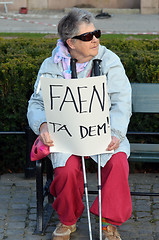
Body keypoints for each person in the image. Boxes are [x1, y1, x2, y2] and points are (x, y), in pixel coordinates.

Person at [27, 8, 132, 240]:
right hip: (66, 135)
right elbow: (36, 103)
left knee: (118, 163)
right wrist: (43, 125)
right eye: (87, 36)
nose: (94, 39)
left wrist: (115, 132)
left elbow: (122, 101)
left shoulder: (109, 60)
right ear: (71, 43)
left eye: (96, 33)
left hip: (103, 132)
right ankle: (68, 220)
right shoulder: (51, 65)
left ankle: (108, 223)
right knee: (66, 170)